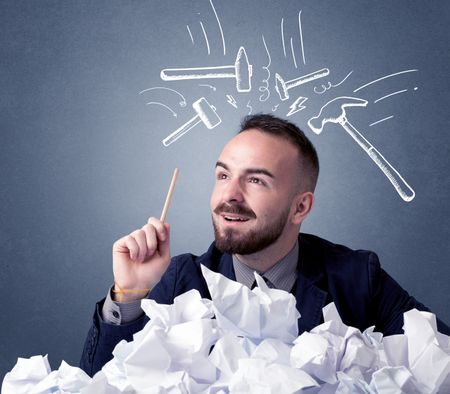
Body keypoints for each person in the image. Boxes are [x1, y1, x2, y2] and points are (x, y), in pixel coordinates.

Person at [80, 114, 450, 376]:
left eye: (255, 181)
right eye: (223, 175)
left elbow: (441, 360)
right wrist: (130, 295)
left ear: (300, 206)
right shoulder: (181, 279)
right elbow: (98, 386)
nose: (230, 196)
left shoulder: (357, 278)